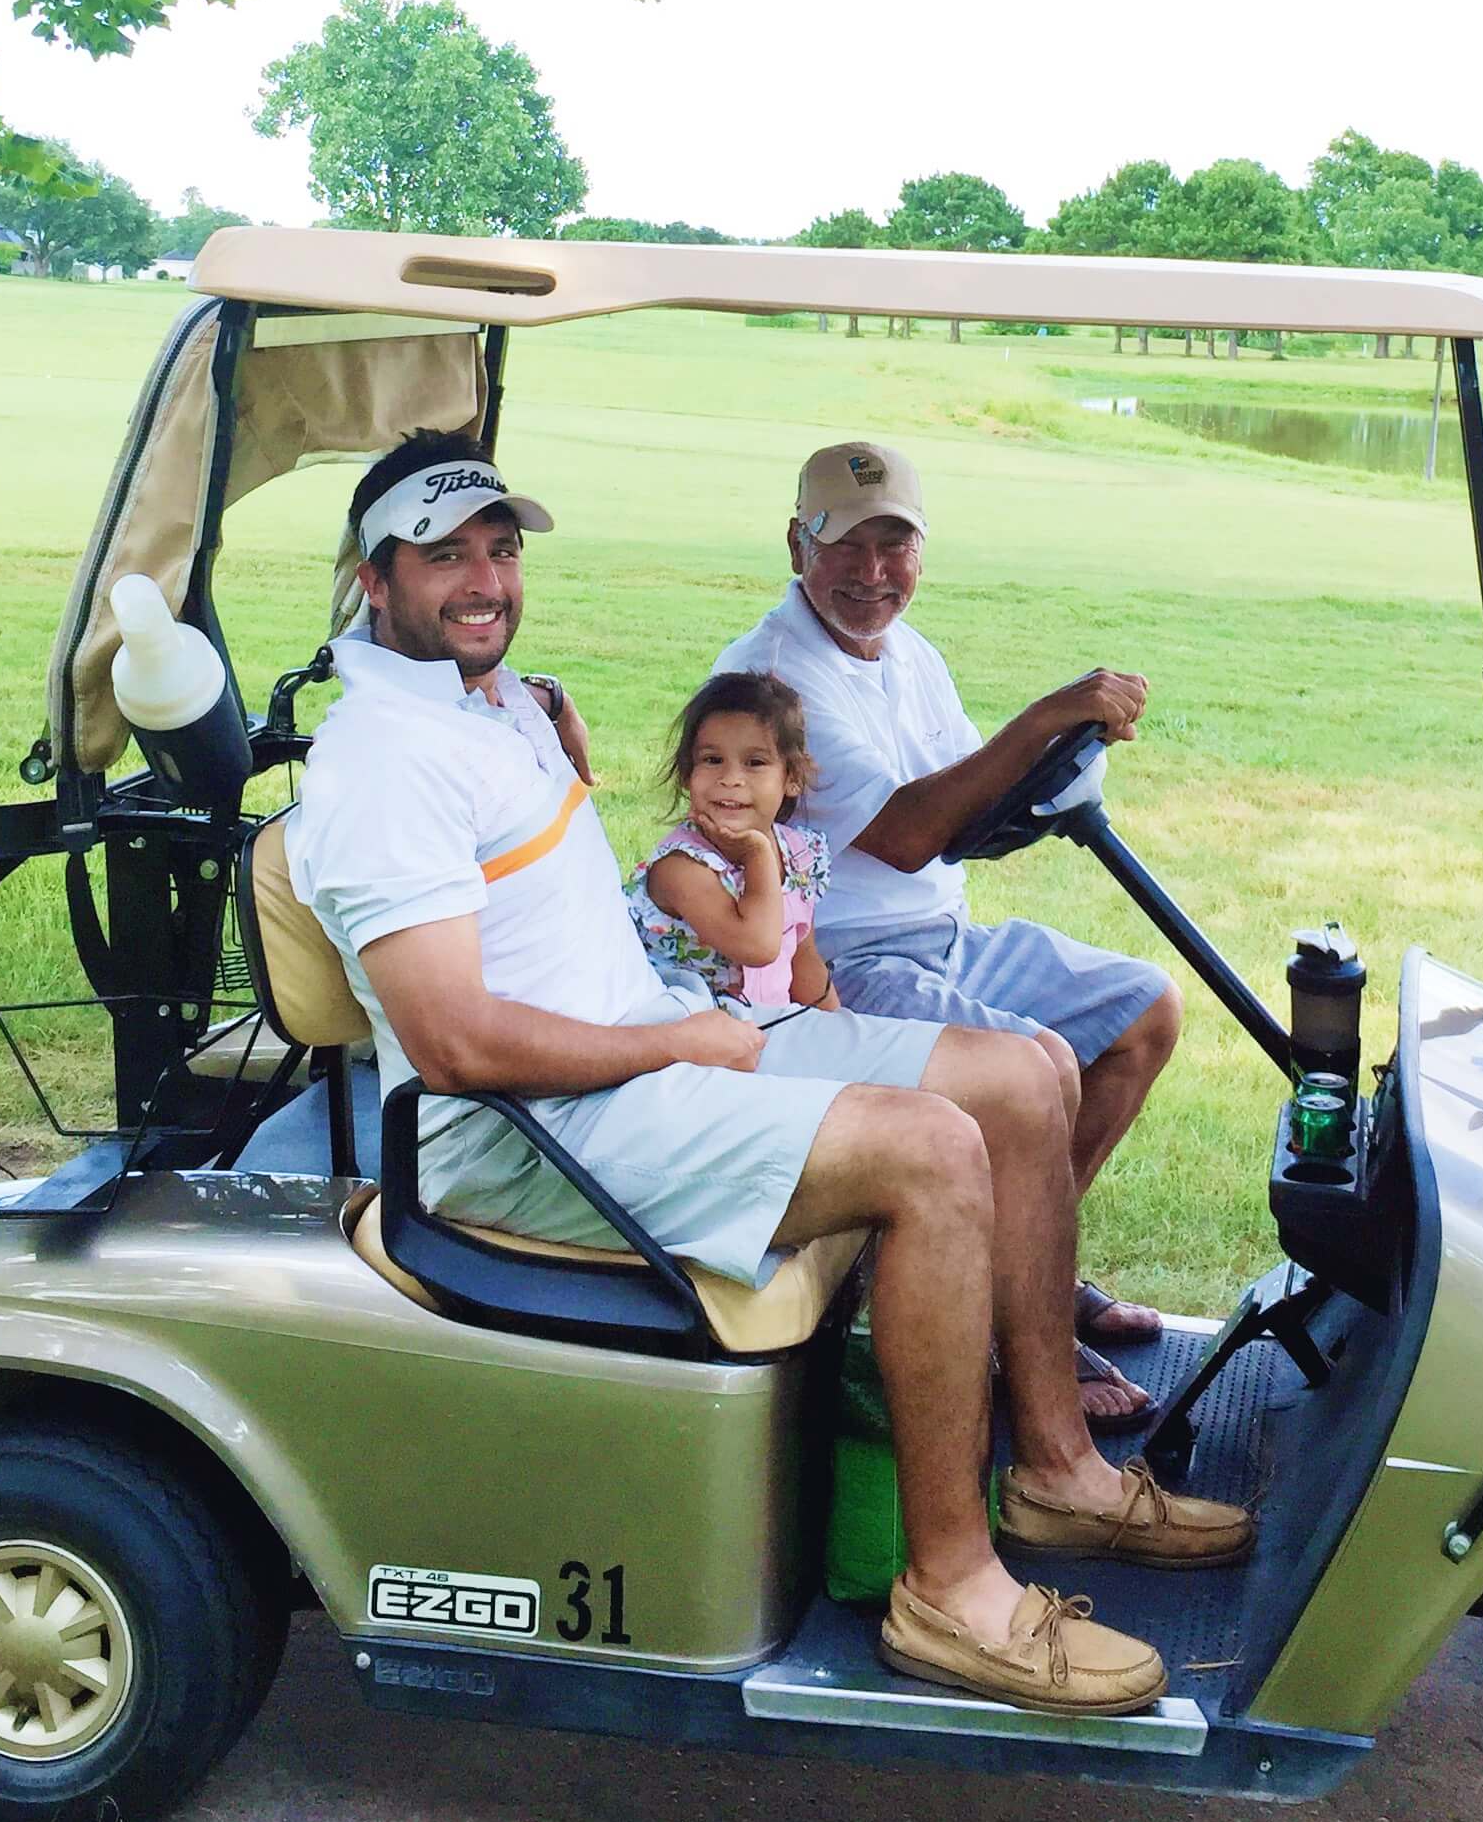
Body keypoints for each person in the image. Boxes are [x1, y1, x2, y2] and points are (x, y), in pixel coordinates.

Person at [290, 430, 1252, 1719]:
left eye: (501, 550)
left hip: (654, 1045)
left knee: (1022, 1085)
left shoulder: (489, 699)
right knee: (932, 1147)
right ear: (371, 576)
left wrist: (552, 739)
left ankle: (1059, 1475)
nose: (485, 580)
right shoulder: (378, 763)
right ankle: (951, 1594)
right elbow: (457, 1045)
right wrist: (676, 1040)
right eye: (444, 556)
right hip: (534, 1129)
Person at [715, 440, 1183, 1422]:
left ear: (921, 552)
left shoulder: (909, 655)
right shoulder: (775, 680)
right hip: (836, 967)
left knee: (1144, 1010)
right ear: (797, 544)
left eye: (895, 547)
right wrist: (1052, 711)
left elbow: (972, 803)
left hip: (942, 934)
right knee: (1040, 1063)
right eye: (845, 547)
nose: (872, 575)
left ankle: (1031, 1280)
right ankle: (1023, 1339)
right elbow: (913, 828)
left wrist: (1055, 755)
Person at [627, 671, 836, 1012]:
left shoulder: (799, 855)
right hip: (686, 1040)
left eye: (755, 763)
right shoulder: (683, 869)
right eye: (712, 760)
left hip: (766, 1029)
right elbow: (758, 946)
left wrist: (838, 1031)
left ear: (792, 778)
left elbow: (804, 959)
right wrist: (757, 856)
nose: (731, 779)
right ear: (686, 775)